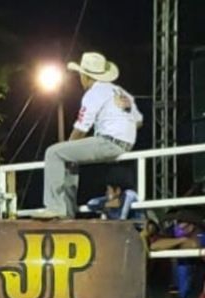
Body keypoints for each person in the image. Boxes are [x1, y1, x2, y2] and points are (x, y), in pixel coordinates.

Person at [35, 52, 143, 219]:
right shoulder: (120, 91)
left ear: (85, 76)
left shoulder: (94, 94)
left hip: (109, 142)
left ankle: (56, 207)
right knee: (68, 158)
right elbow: (138, 121)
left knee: (54, 152)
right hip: (124, 143)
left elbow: (81, 128)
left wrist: (68, 147)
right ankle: (67, 211)